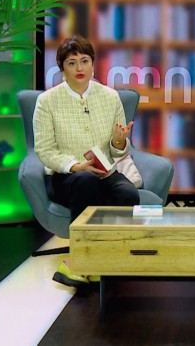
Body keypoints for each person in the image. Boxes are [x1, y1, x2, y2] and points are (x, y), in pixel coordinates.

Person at [33, 34, 139, 288]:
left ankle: (109, 257)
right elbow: (45, 151)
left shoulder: (110, 97)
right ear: (62, 69)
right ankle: (79, 260)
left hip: (104, 172)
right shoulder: (46, 102)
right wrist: (75, 166)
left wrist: (118, 142)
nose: (79, 68)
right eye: (71, 63)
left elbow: (118, 152)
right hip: (65, 176)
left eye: (84, 61)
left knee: (128, 193)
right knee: (84, 182)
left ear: (93, 64)